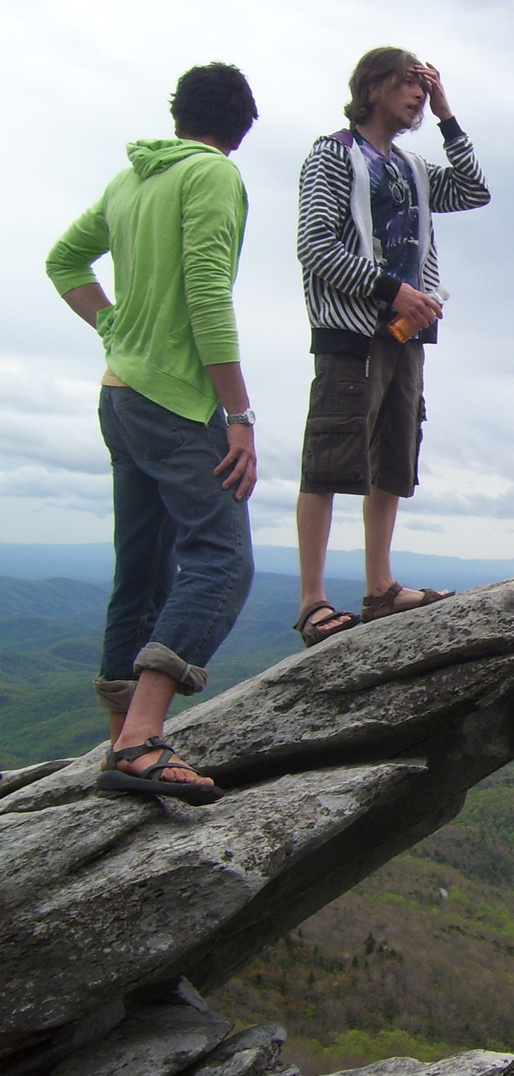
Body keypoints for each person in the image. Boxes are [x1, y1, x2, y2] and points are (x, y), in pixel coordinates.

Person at [45, 63, 260, 804]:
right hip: (175, 399)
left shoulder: (127, 181)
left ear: (178, 115)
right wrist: (239, 413)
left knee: (142, 567)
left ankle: (117, 742)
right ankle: (141, 740)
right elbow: (207, 290)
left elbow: (63, 261)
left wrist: (113, 327)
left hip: (119, 395)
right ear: (241, 127)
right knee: (222, 559)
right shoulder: (214, 177)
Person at [294, 47, 490, 646]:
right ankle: (312, 602)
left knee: (391, 460)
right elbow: (316, 246)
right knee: (329, 460)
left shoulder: (412, 167)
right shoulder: (332, 154)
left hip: (405, 334)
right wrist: (393, 291)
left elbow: (476, 190)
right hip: (353, 329)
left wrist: (449, 114)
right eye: (409, 84)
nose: (418, 96)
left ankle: (380, 589)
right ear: (373, 86)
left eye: (424, 87)